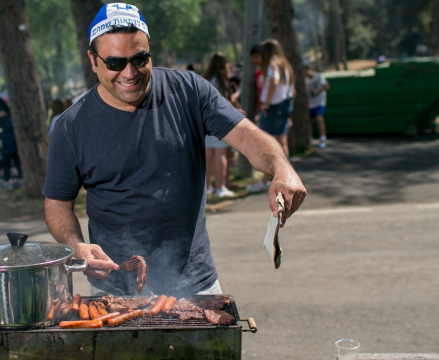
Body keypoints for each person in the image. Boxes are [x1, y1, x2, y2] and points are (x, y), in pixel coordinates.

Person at [43, 3, 306, 297]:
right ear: (93, 60)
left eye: (140, 58)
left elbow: (246, 135)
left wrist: (281, 167)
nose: (129, 73)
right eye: (115, 62)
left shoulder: (189, 90)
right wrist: (78, 246)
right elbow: (57, 204)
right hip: (115, 291)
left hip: (196, 282)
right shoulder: (71, 125)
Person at [246, 39, 295, 194]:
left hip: (274, 107)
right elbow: (291, 87)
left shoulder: (272, 65)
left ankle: (265, 181)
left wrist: (266, 104)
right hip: (284, 104)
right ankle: (286, 177)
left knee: (270, 146)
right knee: (281, 142)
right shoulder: (284, 65)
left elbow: (273, 83)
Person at [203, 53, 236, 198]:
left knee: (208, 155)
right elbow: (224, 101)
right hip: (220, 121)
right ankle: (220, 187)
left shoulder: (206, 79)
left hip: (205, 121)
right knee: (220, 155)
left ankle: (206, 187)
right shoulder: (222, 80)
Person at [304, 64, 330, 149]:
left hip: (320, 102)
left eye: (307, 70)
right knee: (309, 122)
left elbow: (327, 86)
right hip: (310, 104)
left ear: (310, 69)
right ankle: (309, 140)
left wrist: (318, 90)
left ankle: (323, 139)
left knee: (319, 119)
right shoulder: (304, 80)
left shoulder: (319, 76)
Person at [250, 45, 264, 119]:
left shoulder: (271, 73)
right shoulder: (257, 73)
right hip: (262, 110)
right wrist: (257, 112)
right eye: (253, 58)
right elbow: (259, 94)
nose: (254, 60)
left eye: (257, 56)